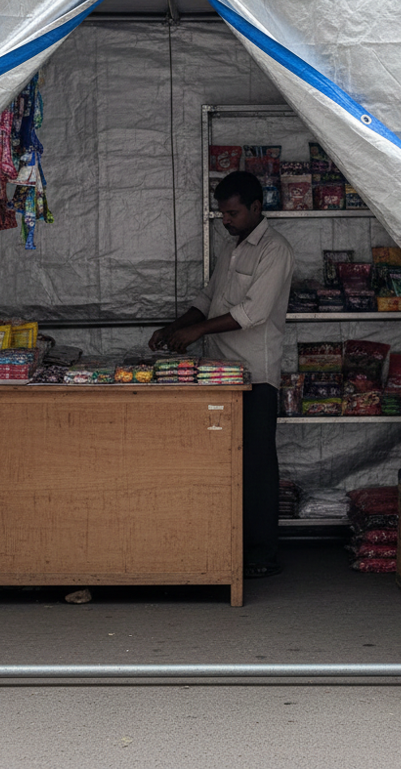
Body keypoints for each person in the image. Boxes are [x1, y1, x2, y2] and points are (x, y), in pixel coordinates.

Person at [150, 170, 295, 579]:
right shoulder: (231, 250)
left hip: (255, 375)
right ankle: (228, 545)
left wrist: (195, 331)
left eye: (232, 213)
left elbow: (253, 313)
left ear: (255, 207)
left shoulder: (274, 250)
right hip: (220, 375)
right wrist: (176, 327)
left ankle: (262, 554)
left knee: (257, 466)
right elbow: (208, 300)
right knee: (224, 465)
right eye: (221, 213)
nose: (226, 220)